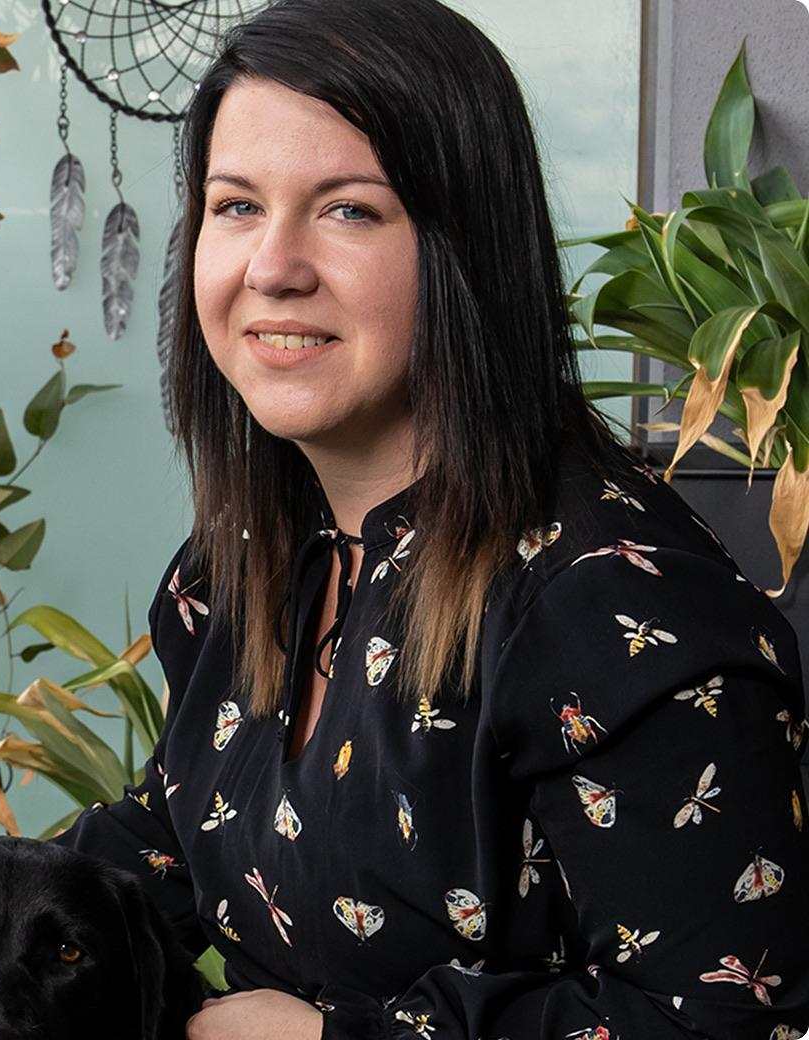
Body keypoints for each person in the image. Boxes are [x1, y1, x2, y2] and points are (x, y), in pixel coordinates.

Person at [50, 0, 809, 1036]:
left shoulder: (614, 606)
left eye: (349, 209)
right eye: (234, 206)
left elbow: (716, 1018)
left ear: (468, 250)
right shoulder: (241, 559)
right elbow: (161, 853)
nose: (271, 266)